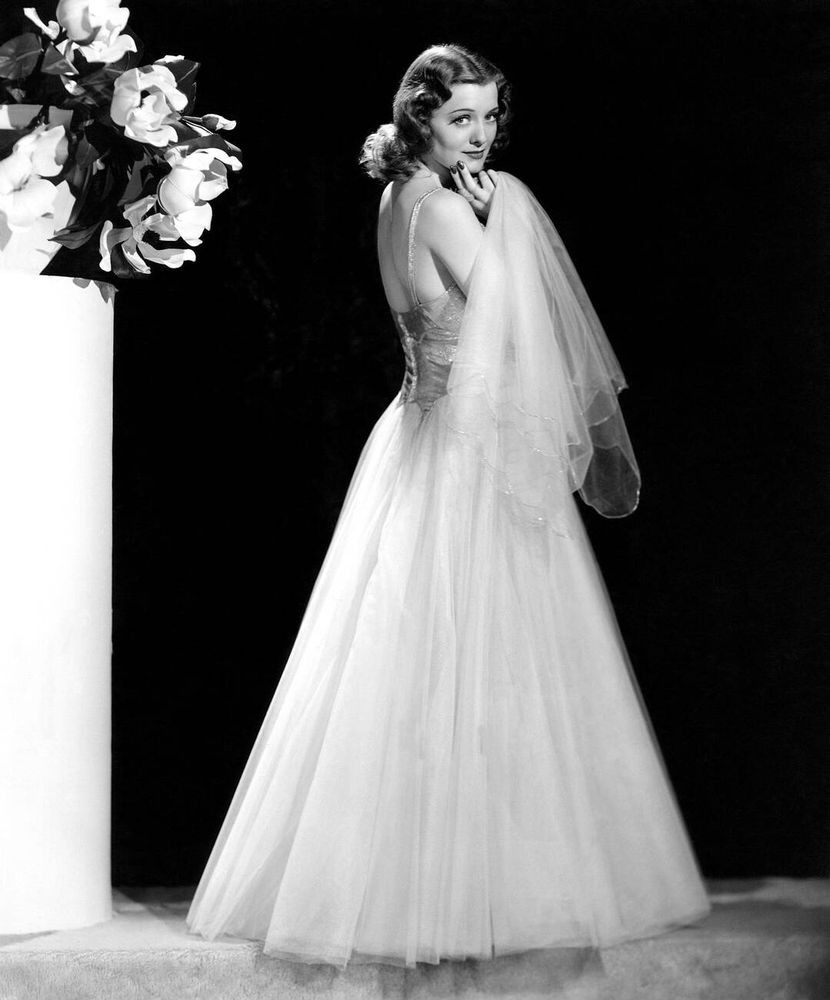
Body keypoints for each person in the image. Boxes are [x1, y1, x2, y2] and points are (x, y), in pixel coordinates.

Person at [186, 43, 710, 968]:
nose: (481, 135)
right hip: (464, 445)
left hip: (420, 432)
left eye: (490, 117)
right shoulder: (444, 208)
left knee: (425, 662)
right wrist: (503, 216)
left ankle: (441, 883)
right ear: (418, 117)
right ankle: (477, 898)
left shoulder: (398, 200)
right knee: (480, 666)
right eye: (461, 117)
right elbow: (528, 332)